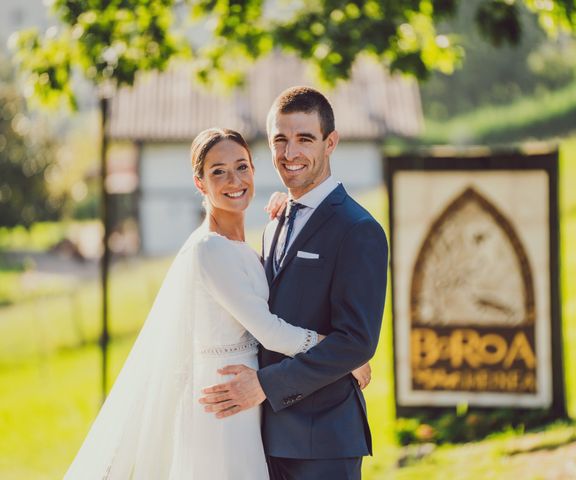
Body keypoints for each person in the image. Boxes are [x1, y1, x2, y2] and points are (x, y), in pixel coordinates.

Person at [64, 127, 370, 479]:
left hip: (252, 398)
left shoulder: (247, 242)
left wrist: (287, 211)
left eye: (241, 167)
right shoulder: (209, 249)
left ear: (254, 170)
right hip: (225, 401)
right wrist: (344, 357)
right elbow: (270, 331)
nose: (233, 180)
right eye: (218, 172)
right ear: (200, 183)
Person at [199, 87, 389, 480]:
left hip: (324, 439)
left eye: (305, 139)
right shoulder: (274, 220)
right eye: (280, 140)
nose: (290, 153)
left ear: (330, 142)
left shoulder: (358, 229)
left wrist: (266, 386)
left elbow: (356, 341)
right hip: (263, 436)